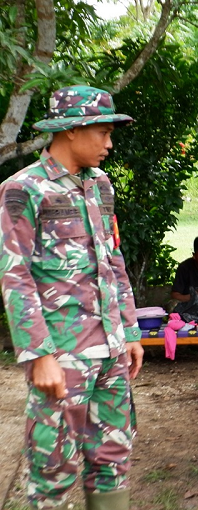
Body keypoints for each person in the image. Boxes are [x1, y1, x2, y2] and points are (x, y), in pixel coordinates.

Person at [0, 85, 143, 510]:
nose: (109, 143)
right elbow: (14, 274)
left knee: (113, 456)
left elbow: (113, 258)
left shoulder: (100, 184)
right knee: (53, 467)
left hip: (111, 352)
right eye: (102, 132)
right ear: (72, 131)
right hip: (63, 357)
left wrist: (131, 330)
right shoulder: (22, 189)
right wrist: (38, 354)